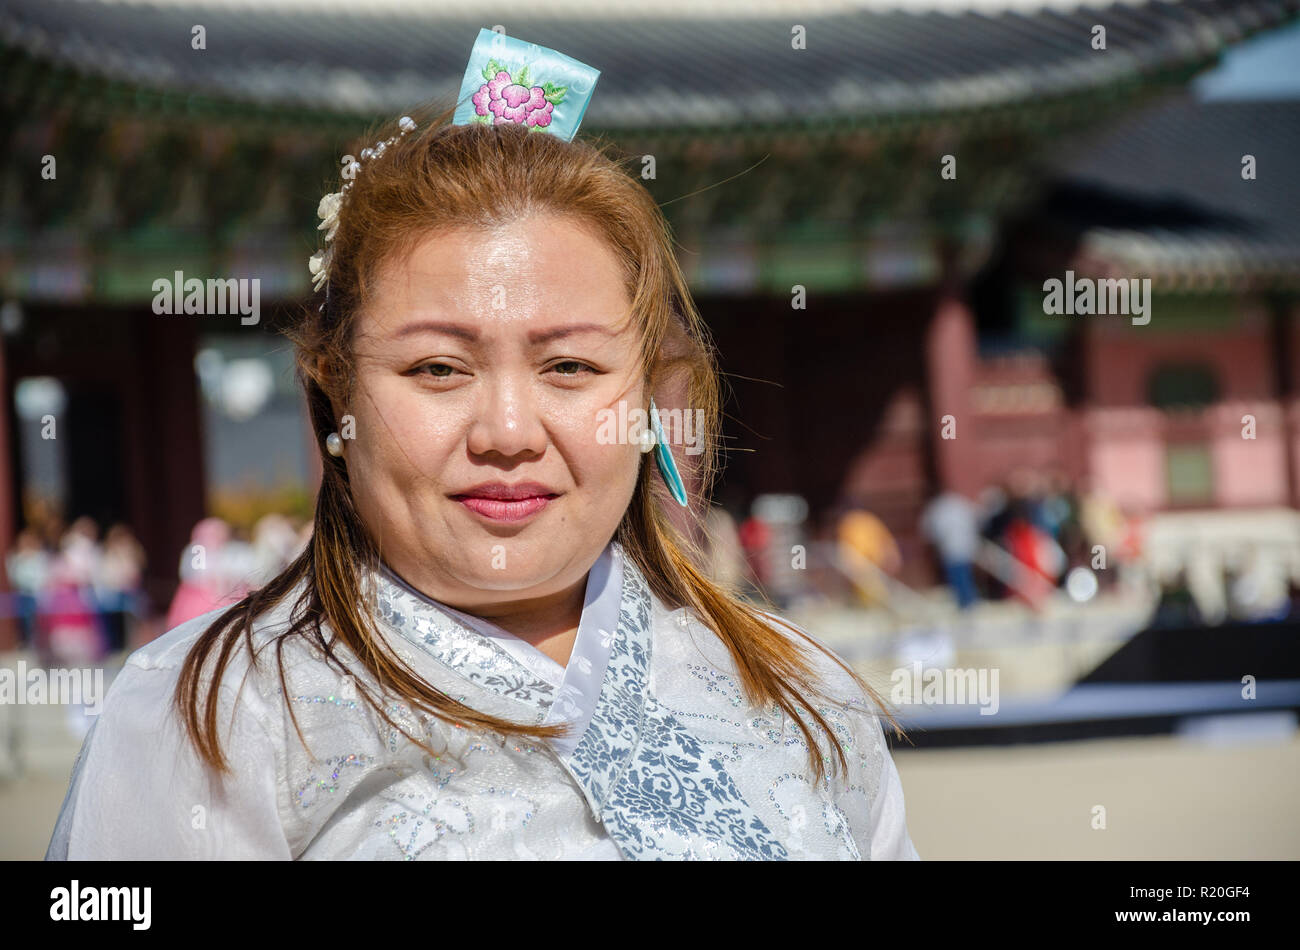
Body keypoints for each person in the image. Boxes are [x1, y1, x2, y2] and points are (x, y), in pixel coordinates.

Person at [46, 30, 918, 861]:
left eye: (570, 366)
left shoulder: (801, 693)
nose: (507, 433)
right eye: (436, 369)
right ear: (334, 392)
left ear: (650, 399)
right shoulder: (208, 713)